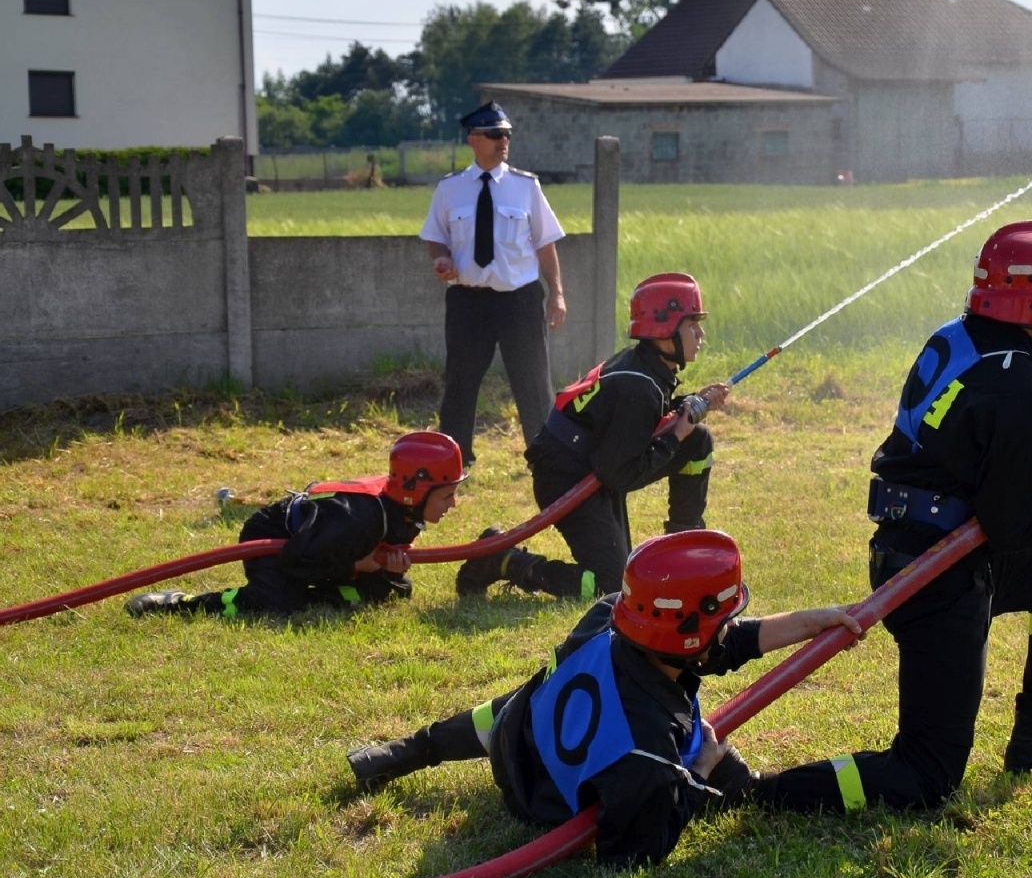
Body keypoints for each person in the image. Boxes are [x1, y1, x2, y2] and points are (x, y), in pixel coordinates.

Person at [751, 220, 1032, 815]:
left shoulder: (967, 341)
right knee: (924, 777)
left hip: (937, 551)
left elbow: (1023, 446)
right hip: (935, 576)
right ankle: (757, 791)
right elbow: (1019, 521)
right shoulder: (1020, 384)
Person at [346, 530, 864, 867]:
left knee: (510, 707)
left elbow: (719, 644)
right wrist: (701, 769)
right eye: (721, 619)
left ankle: (402, 753)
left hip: (522, 726)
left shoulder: (610, 616)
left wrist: (808, 623)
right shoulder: (646, 754)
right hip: (548, 795)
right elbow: (634, 853)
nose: (728, 628)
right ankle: (873, 785)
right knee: (746, 790)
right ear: (688, 638)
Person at [454, 272, 729, 602]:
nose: (701, 334)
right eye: (692, 325)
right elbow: (621, 472)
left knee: (697, 440)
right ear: (665, 330)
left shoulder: (646, 367)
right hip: (567, 478)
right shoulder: (638, 385)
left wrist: (689, 407)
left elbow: (634, 429)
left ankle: (683, 547)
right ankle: (502, 560)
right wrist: (675, 436)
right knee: (611, 587)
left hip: (592, 465)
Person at [125, 432, 465, 618]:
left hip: (327, 551)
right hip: (279, 538)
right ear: (415, 491)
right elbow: (296, 558)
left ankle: (317, 597)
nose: (454, 504)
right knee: (275, 602)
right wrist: (361, 564)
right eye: (447, 496)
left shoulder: (404, 512)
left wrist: (387, 571)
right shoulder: (359, 518)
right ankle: (180, 603)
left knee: (389, 593)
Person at [422, 101, 568, 467]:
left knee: (533, 381)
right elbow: (435, 236)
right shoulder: (450, 188)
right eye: (494, 134)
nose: (503, 141)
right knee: (460, 382)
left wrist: (557, 294)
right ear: (473, 139)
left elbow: (545, 242)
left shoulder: (525, 187)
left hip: (519, 299)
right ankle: (455, 460)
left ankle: (544, 456)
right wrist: (440, 258)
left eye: (506, 134)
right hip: (467, 300)